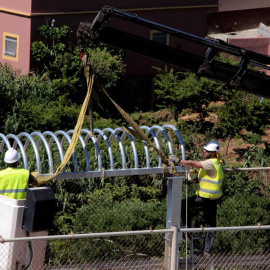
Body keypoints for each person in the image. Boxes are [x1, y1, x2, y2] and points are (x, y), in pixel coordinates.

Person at [169, 140, 224, 257]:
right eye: (204, 149)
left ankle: (187, 231)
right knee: (211, 224)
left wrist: (179, 161)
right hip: (213, 198)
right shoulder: (216, 163)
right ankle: (207, 251)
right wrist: (193, 180)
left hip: (206, 197)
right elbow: (208, 178)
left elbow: (193, 164)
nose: (204, 151)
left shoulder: (211, 162)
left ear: (214, 153)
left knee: (183, 204)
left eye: (207, 150)